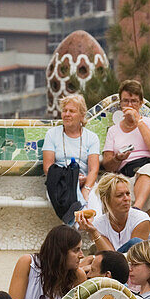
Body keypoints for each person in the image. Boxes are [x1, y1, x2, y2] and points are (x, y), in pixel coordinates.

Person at [101, 79, 150, 236]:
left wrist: (138, 121)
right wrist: (118, 158)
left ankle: (136, 211)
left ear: (140, 103)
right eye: (126, 101)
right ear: (121, 104)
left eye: (134, 101)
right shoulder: (114, 131)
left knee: (148, 170)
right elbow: (107, 165)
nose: (129, 104)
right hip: (130, 177)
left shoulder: (149, 122)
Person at [43, 94, 100, 223]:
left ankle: (92, 231)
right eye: (64, 110)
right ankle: (79, 230)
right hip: (59, 182)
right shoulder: (52, 134)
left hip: (86, 183)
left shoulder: (91, 137)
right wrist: (70, 179)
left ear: (81, 115)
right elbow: (48, 168)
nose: (67, 114)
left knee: (96, 208)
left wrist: (86, 188)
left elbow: (94, 170)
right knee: (74, 205)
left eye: (72, 111)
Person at [8, 225, 87, 299]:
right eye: (76, 250)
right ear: (60, 251)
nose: (81, 255)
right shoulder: (28, 263)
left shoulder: (78, 276)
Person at [77, 172, 150, 252]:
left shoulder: (141, 219)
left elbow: (134, 258)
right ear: (106, 200)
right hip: (115, 261)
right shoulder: (98, 224)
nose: (126, 198)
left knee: (135, 242)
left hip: (141, 262)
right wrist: (94, 232)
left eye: (127, 194)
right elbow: (111, 257)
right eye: (119, 195)